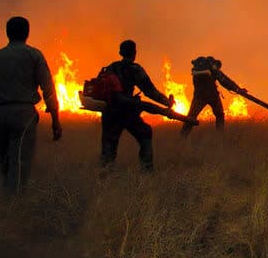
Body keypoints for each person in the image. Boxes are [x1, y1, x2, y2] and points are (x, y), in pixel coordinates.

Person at [0, 16, 62, 195]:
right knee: (20, 159)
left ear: (7, 33)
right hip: (23, 113)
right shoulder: (34, 55)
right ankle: (14, 204)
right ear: (27, 33)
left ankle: (6, 193)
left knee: (4, 157)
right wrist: (55, 120)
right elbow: (48, 89)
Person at [101, 39, 174, 171]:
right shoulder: (135, 69)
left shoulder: (111, 67)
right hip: (126, 111)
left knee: (109, 146)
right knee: (145, 133)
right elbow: (150, 91)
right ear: (134, 53)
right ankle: (147, 171)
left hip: (109, 111)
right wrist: (166, 102)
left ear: (120, 52)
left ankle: (105, 174)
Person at [181, 55, 245, 137]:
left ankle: (182, 136)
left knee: (191, 117)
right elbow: (224, 80)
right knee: (219, 115)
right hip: (212, 95)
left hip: (198, 96)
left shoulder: (197, 68)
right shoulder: (213, 67)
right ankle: (219, 136)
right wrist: (238, 89)